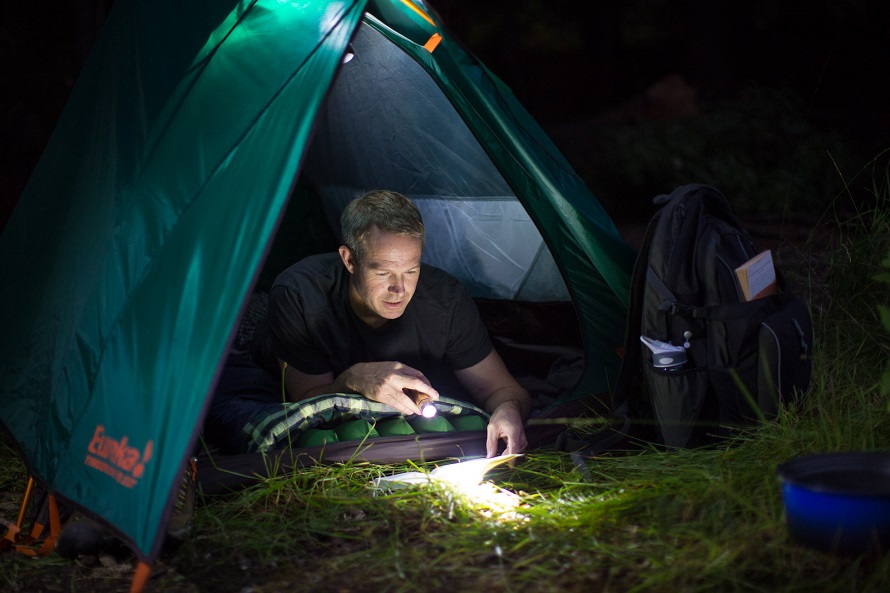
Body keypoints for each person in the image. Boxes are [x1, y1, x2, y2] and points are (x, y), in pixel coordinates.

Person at [248, 190, 530, 456]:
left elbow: (503, 391)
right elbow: (307, 399)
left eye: (411, 270)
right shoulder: (300, 296)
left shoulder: (446, 302)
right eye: (382, 272)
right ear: (349, 260)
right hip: (262, 346)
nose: (400, 288)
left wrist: (508, 409)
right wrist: (353, 378)